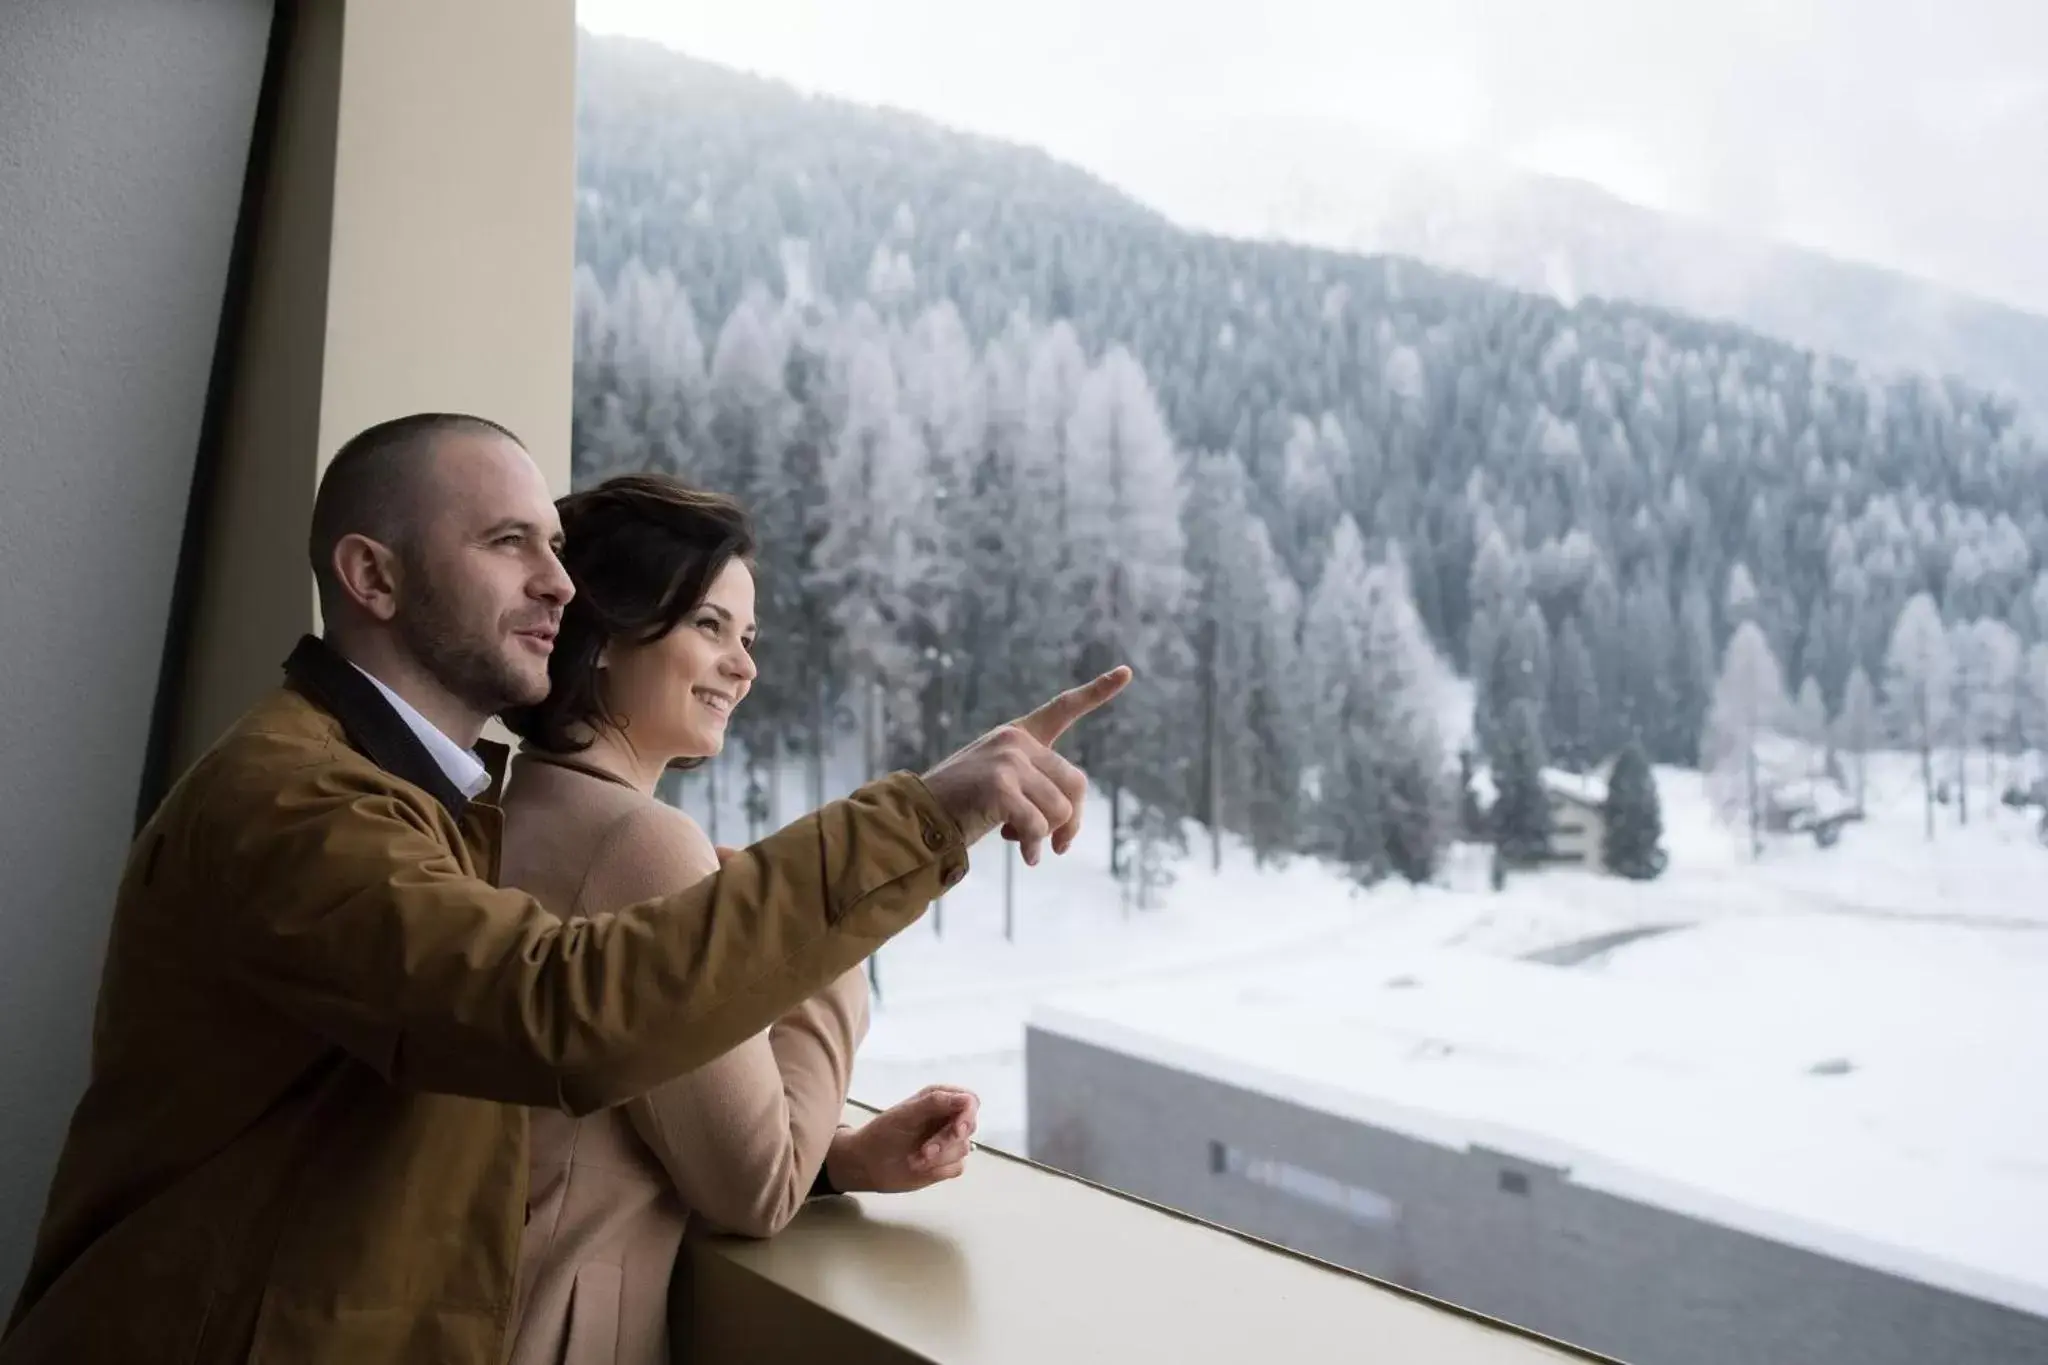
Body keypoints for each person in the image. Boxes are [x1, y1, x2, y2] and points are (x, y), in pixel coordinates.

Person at [0, 414, 1128, 1365]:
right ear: (371, 576)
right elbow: (557, 1011)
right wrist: (916, 823)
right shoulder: (299, 810)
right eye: (508, 544)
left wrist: (832, 1156)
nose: (556, 581)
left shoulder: (437, 807)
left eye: (554, 544)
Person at [494, 474, 978, 1365]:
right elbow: (756, 1187)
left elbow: (625, 1124)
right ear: (603, 635)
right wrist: (821, 944)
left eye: (747, 637)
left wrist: (843, 1159)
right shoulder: (641, 845)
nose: (744, 665)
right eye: (709, 626)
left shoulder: (505, 801)